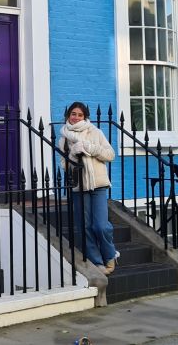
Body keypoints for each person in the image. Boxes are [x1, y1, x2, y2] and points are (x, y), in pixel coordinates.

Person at [61, 102, 119, 275]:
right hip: (79, 186)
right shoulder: (64, 138)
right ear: (68, 116)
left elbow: (110, 155)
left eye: (79, 114)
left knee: (101, 225)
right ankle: (97, 261)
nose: (76, 117)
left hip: (99, 185)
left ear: (85, 117)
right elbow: (65, 166)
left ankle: (110, 255)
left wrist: (87, 147)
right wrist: (73, 154)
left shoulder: (95, 132)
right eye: (73, 114)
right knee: (84, 226)